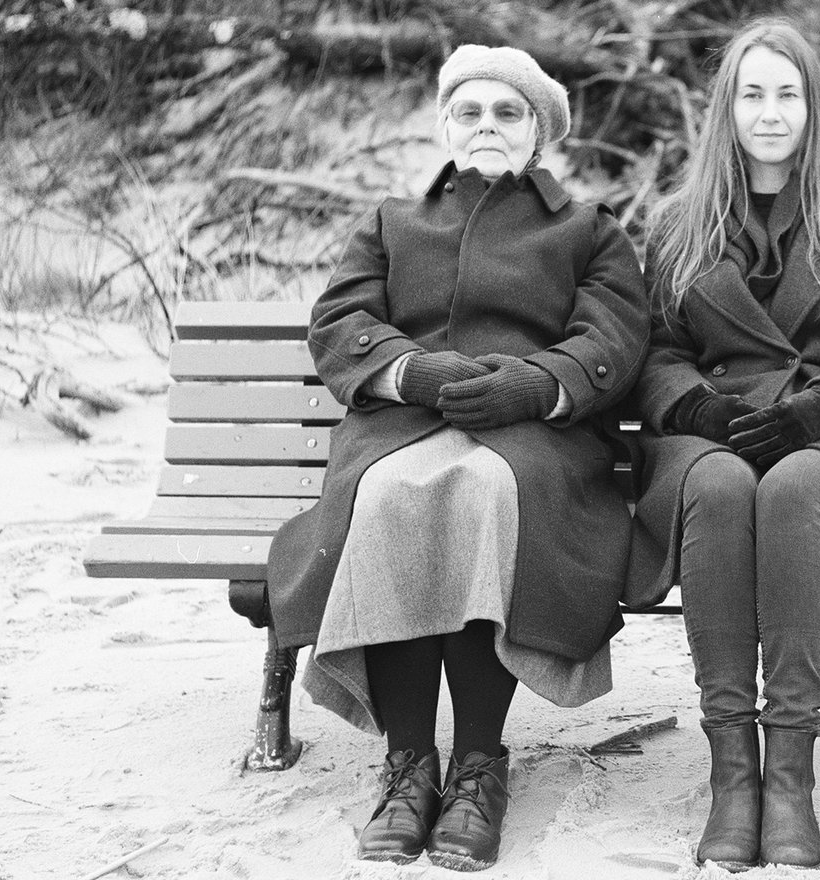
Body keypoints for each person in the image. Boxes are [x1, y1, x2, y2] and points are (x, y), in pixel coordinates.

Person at [264, 45, 648, 871]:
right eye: (469, 112)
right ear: (445, 124)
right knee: (392, 497)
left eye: (508, 114)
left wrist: (535, 385)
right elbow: (339, 322)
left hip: (533, 441)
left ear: (538, 133)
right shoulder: (392, 222)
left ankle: (478, 764)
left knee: (480, 490)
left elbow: (614, 337)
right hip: (402, 427)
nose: (486, 127)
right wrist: (411, 369)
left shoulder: (589, 230)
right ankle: (409, 765)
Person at [625, 18, 820, 871]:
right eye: (751, 94)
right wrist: (699, 411)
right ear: (727, 108)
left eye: (786, 94)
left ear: (812, 106)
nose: (769, 112)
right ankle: (734, 776)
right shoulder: (681, 224)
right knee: (720, 489)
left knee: (792, 487)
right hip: (710, 435)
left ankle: (789, 777)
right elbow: (656, 352)